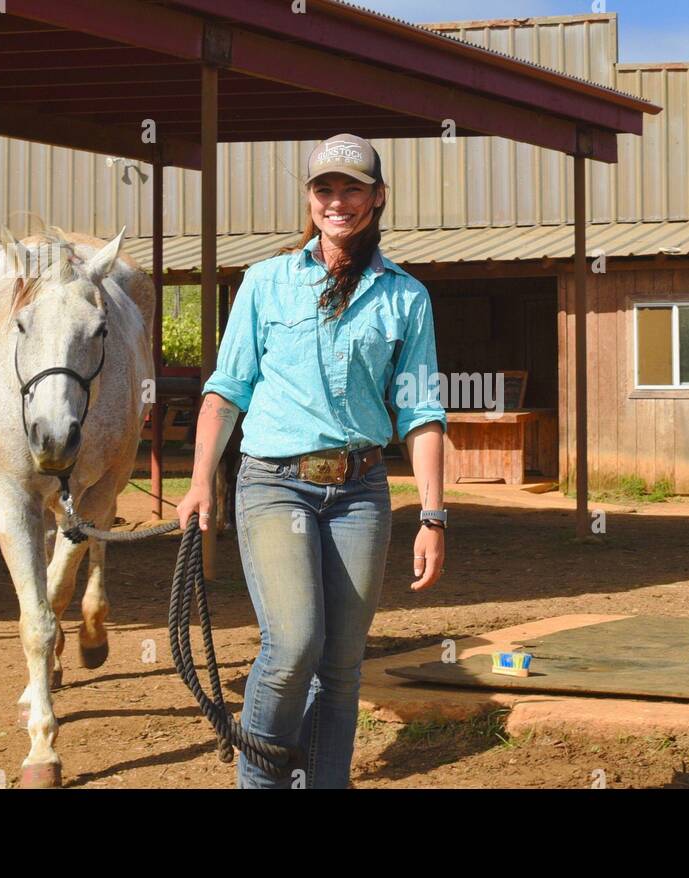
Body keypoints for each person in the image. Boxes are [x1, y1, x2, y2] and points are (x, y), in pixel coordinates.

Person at [177, 133, 448, 789]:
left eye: (352, 188)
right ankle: (261, 782)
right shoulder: (266, 283)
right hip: (275, 484)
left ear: (377, 198)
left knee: (343, 662)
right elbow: (226, 388)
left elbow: (421, 411)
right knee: (294, 643)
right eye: (324, 189)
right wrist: (199, 483)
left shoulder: (406, 297)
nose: (337, 201)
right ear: (310, 198)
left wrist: (434, 516)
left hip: (360, 493)